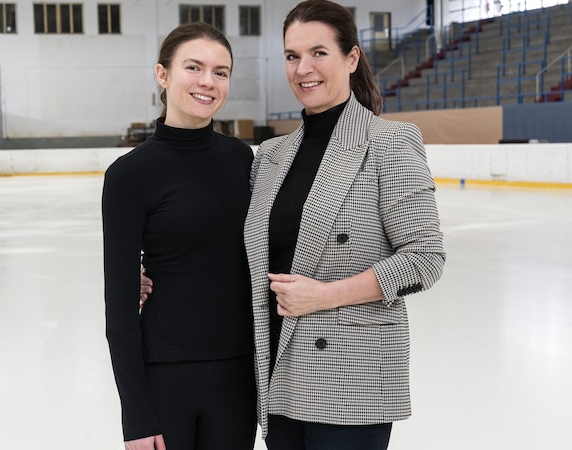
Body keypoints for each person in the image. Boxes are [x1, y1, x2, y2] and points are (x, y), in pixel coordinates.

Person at [141, 1, 446, 448]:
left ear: (352, 58)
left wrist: (325, 295)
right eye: (291, 56)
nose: (304, 68)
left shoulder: (391, 143)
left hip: (352, 379)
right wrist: (154, 273)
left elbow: (424, 260)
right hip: (278, 377)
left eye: (318, 53)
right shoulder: (270, 156)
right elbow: (226, 238)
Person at [102, 22, 256, 450]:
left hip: (237, 376)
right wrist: (135, 414)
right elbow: (118, 306)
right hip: (165, 375)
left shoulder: (243, 160)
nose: (208, 81)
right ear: (163, 74)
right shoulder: (129, 176)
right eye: (194, 67)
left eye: (221, 72)